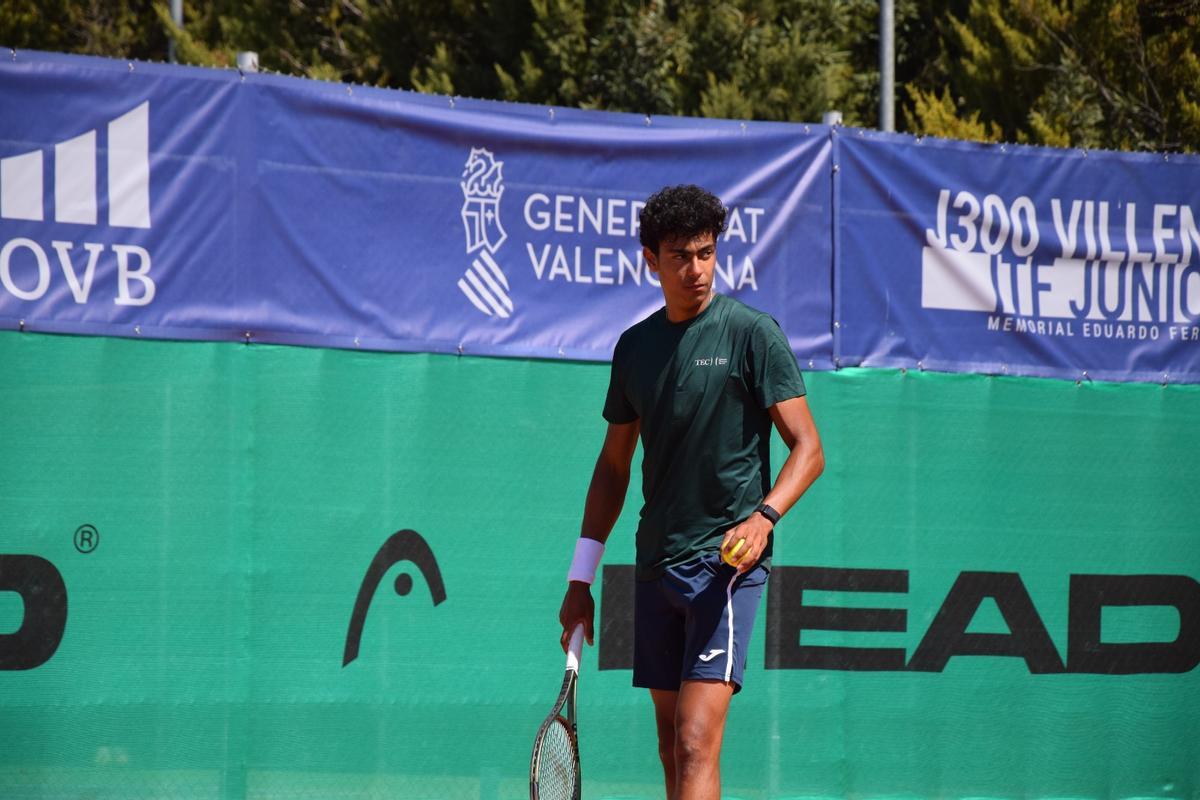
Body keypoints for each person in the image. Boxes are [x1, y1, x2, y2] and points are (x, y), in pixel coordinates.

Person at [558, 184, 824, 800]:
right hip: (655, 566)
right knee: (671, 748)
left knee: (695, 740)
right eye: (680, 255)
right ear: (650, 259)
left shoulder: (753, 335)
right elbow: (613, 468)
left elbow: (808, 450)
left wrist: (764, 518)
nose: (696, 269)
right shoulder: (635, 349)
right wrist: (580, 581)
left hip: (726, 566)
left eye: (706, 253)